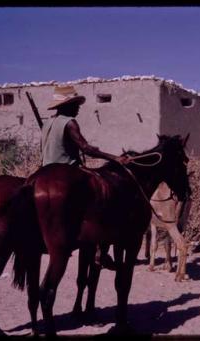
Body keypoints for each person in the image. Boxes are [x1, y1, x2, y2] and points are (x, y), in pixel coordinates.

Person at [42, 84, 129, 270]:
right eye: (75, 104)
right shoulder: (69, 122)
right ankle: (100, 247)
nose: (78, 107)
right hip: (68, 168)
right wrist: (115, 158)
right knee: (104, 193)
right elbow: (86, 148)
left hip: (45, 169)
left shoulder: (48, 123)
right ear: (66, 105)